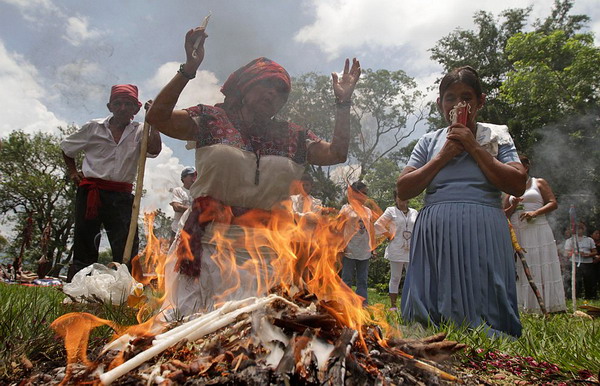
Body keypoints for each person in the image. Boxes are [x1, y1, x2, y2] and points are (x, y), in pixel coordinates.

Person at [145, 25, 360, 316]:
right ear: (245, 87)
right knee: (190, 334)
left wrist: (343, 103)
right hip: (207, 247)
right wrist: (189, 69)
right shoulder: (210, 118)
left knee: (261, 339)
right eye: (266, 85)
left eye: (280, 92)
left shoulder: (293, 136)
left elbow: (337, 153)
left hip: (266, 254)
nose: (273, 94)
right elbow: (157, 117)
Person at [397, 66, 527, 337]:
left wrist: (473, 146)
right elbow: (404, 188)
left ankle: (488, 331)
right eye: (450, 97)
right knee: (434, 290)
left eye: (467, 97)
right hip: (435, 228)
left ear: (481, 101)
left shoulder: (496, 135)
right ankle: (428, 331)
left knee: (485, 286)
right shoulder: (429, 141)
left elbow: (517, 184)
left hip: (484, 225)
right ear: (439, 103)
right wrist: (444, 155)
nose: (458, 104)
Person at [61, 84, 162, 281]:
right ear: (110, 107)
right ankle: (79, 288)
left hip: (121, 195)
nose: (123, 108)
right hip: (91, 192)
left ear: (136, 108)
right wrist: (73, 172)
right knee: (85, 240)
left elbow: (154, 150)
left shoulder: (141, 130)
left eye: (129, 104)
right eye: (118, 103)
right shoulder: (93, 127)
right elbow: (67, 148)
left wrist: (154, 121)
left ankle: (126, 288)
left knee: (125, 244)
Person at [503, 155, 566, 313]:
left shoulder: (538, 182)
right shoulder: (508, 188)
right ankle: (524, 305)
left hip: (538, 228)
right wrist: (514, 205)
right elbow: (503, 214)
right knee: (522, 266)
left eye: (517, 168)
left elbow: (553, 203)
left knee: (541, 262)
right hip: (518, 230)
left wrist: (535, 213)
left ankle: (550, 304)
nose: (514, 171)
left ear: (526, 167)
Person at [374, 191, 418, 311]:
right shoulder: (391, 211)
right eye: (400, 197)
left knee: (413, 277)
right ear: (395, 198)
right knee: (395, 277)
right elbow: (378, 224)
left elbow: (419, 227)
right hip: (396, 248)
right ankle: (393, 306)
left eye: (405, 197)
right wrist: (388, 235)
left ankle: (411, 305)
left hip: (411, 249)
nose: (402, 200)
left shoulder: (414, 212)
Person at [339, 181, 374, 306]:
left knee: (362, 280)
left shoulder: (368, 211)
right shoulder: (346, 209)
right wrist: (340, 246)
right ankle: (345, 304)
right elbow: (339, 228)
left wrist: (372, 246)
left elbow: (370, 229)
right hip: (349, 248)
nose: (365, 196)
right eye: (362, 193)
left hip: (364, 250)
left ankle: (362, 304)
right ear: (355, 194)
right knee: (347, 278)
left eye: (366, 193)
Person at [565, 222, 598, 299]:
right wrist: (576, 253)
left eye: (581, 229)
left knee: (589, 281)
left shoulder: (589, 240)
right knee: (576, 281)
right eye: (578, 229)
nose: (579, 231)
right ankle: (576, 297)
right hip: (575, 262)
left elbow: (594, 251)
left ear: (583, 230)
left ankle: (590, 297)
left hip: (587, 262)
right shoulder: (570, 240)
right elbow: (566, 252)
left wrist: (588, 254)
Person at [170, 166, 197, 238]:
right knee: (174, 249)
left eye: (195, 175)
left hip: (193, 231)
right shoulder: (178, 190)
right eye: (191, 175)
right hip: (177, 229)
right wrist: (194, 210)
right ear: (183, 178)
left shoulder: (199, 192)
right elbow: (176, 207)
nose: (194, 177)